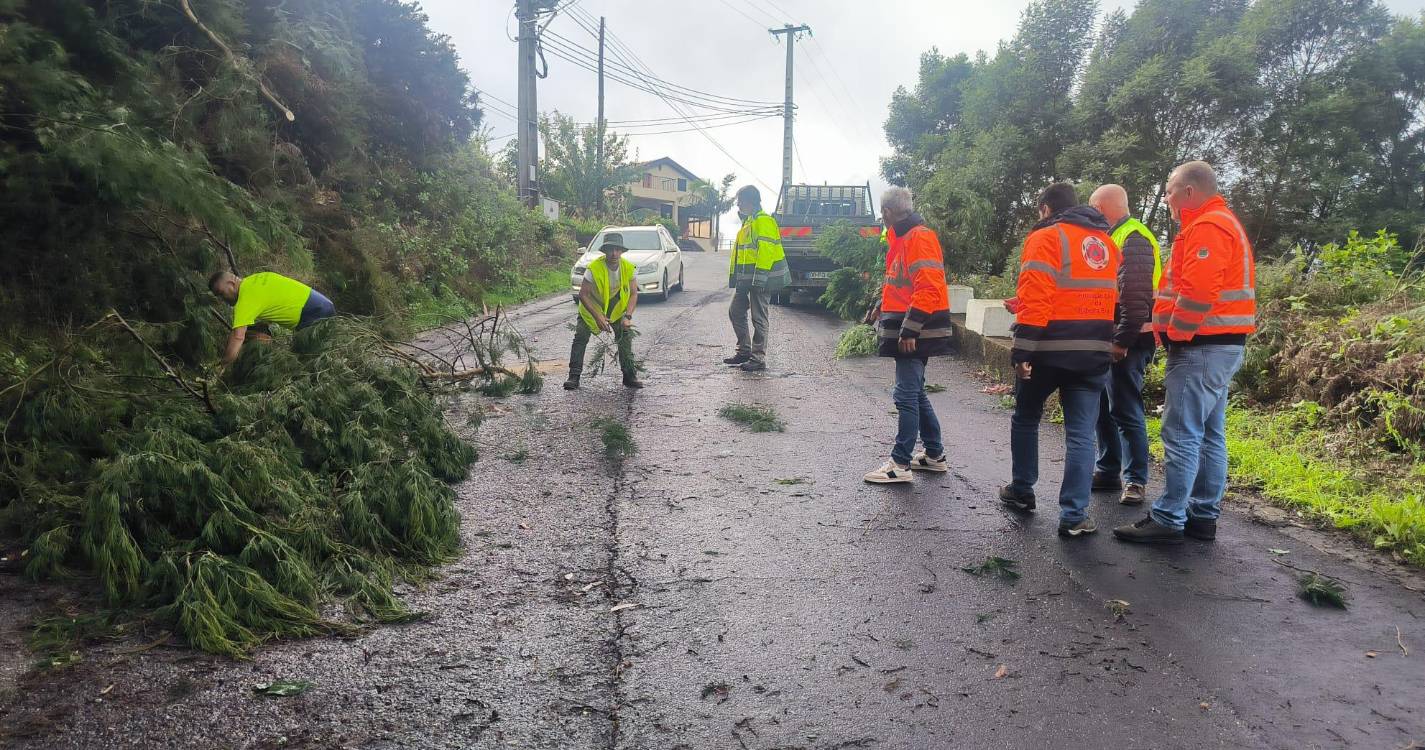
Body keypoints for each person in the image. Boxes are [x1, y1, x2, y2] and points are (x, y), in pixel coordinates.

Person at [1115, 161, 1255, 545]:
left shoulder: (1207, 227)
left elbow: (1198, 292)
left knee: (1181, 433)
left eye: (1169, 190)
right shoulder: (1217, 223)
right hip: (1218, 345)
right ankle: (1202, 515)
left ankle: (1169, 517)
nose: (1166, 198)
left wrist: (1175, 333)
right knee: (1208, 433)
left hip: (1201, 346)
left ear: (1189, 192)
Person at [999, 183, 1120, 538]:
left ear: (1046, 209)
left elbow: (1037, 297)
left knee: (1026, 417)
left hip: (1048, 350)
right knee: (1081, 433)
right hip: (1093, 350)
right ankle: (1074, 515)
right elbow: (1108, 298)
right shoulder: (1106, 244)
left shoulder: (1046, 237)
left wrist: (1022, 350)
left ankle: (1022, 490)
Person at [862, 187, 954, 484]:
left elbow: (928, 287)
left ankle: (900, 463)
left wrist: (910, 328)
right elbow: (899, 281)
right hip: (910, 325)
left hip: (916, 329)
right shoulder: (902, 237)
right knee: (915, 392)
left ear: (887, 212)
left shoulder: (918, 237)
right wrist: (880, 305)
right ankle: (934, 454)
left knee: (905, 395)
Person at [1088, 184, 1161, 505]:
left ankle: (1135, 480)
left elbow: (1135, 296)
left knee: (1125, 408)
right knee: (1104, 407)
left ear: (1100, 208)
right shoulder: (1114, 236)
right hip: (1113, 336)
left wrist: (1121, 341)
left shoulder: (1133, 237)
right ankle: (1108, 470)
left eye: (1093, 208)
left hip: (1130, 340)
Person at [724, 185, 789, 372]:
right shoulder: (749, 222)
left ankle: (758, 358)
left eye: (740, 201)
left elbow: (766, 252)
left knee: (758, 318)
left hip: (761, 279)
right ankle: (744, 351)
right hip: (746, 280)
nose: (738, 205)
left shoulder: (764, 221)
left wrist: (760, 279)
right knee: (735, 311)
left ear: (750, 201)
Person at [564, 234, 643, 391]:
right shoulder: (594, 268)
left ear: (621, 251)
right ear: (604, 251)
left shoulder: (628, 268)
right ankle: (573, 376)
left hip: (615, 308)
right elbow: (583, 294)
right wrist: (597, 316)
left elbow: (634, 294)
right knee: (581, 336)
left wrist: (627, 316)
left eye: (617, 250)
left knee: (624, 336)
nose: (614, 254)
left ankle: (629, 376)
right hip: (591, 306)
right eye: (610, 250)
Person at [209, 270, 336, 365]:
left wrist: (223, 364)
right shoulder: (254, 280)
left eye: (221, 293)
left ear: (231, 284)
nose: (222, 299)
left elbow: (238, 336)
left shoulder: (245, 299)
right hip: (322, 303)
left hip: (312, 313)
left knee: (304, 364)